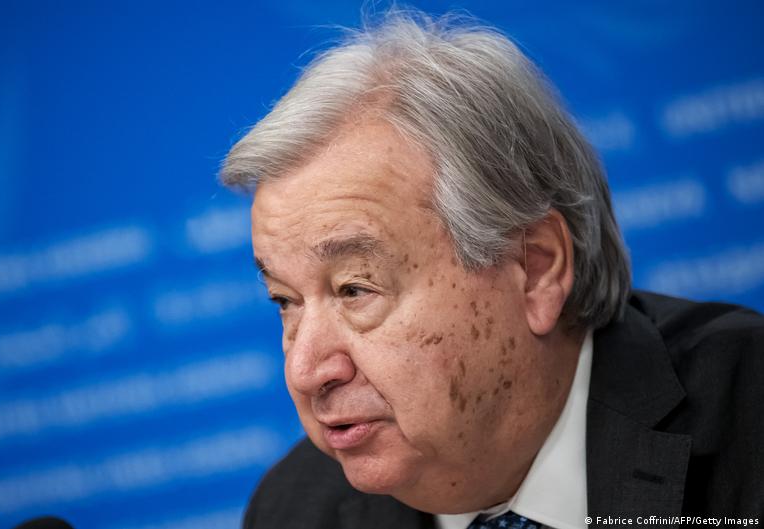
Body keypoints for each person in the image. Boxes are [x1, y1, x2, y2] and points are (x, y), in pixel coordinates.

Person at [219, 11, 764, 529]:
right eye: (284, 300)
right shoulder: (295, 510)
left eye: (354, 289)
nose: (306, 371)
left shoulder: (749, 417)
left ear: (535, 270)